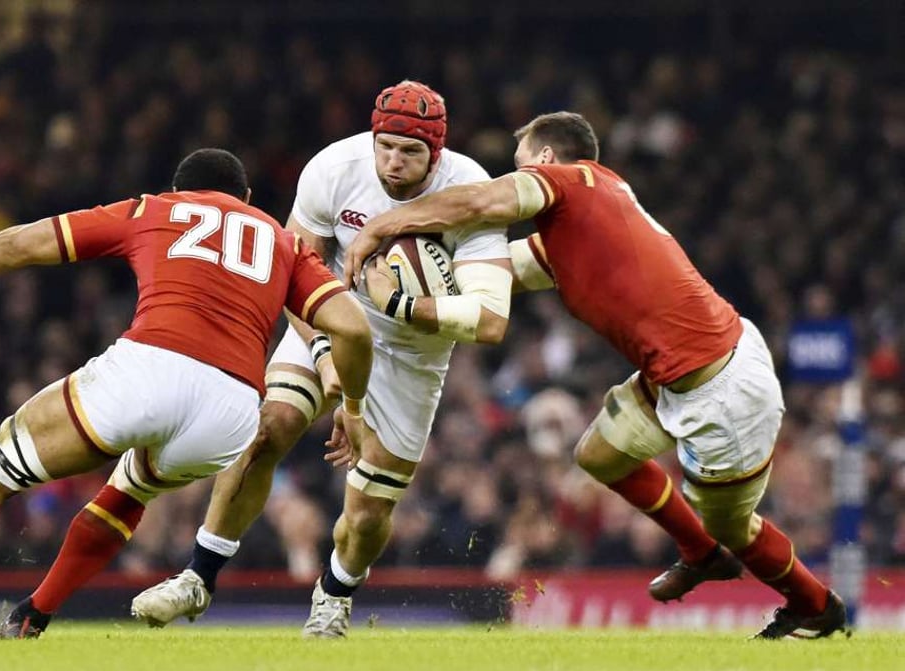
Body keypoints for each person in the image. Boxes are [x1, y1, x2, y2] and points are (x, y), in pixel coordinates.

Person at [344, 111, 849, 640]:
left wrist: (384, 225)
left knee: (730, 525)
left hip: (719, 387)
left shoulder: (575, 181)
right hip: (679, 372)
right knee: (599, 454)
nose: (511, 179)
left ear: (543, 160)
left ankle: (815, 605)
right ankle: (700, 553)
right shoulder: (579, 223)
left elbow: (479, 202)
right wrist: (418, 282)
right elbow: (500, 272)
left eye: (517, 168)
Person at [0, 148, 373, 639]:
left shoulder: (154, 209)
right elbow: (353, 328)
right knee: (130, 488)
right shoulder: (284, 244)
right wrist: (351, 406)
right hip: (233, 409)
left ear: (181, 190)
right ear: (245, 198)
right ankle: (33, 614)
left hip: (149, 368)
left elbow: (19, 245)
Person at [130, 81, 513, 637]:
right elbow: (292, 274)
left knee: (368, 513)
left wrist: (399, 303)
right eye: (386, 146)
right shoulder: (334, 168)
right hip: (332, 314)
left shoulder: (472, 192)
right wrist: (329, 356)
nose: (393, 162)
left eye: (411, 152)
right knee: (269, 426)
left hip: (412, 355)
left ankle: (334, 595)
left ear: (438, 152)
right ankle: (198, 577)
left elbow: (490, 321)